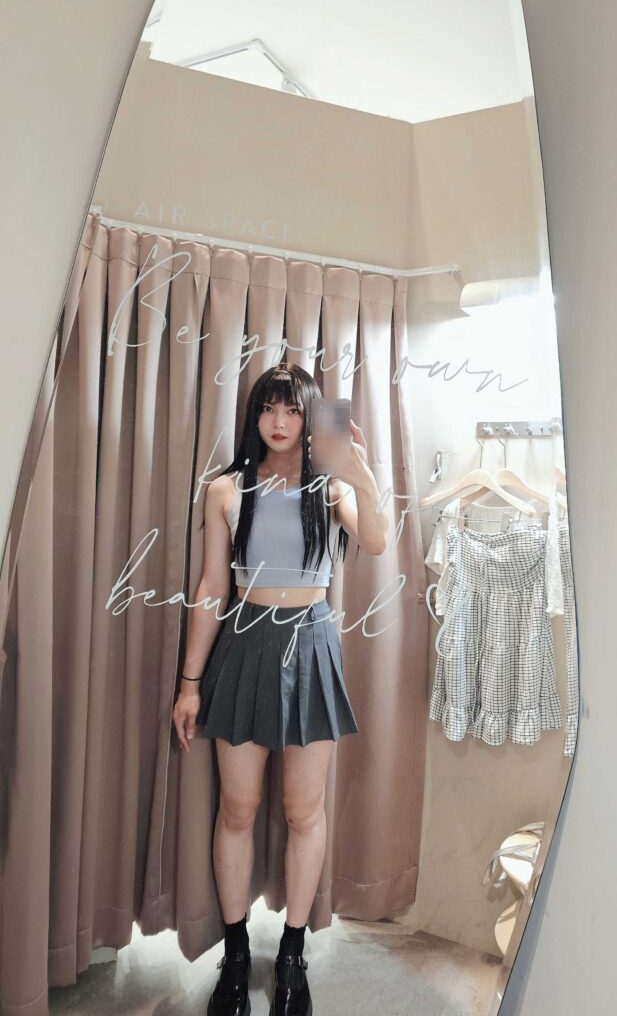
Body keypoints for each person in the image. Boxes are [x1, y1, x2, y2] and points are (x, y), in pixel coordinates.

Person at [172, 362, 388, 1016]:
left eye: (294, 409)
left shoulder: (330, 489)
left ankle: (292, 954)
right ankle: (237, 955)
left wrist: (360, 469)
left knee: (303, 812)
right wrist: (189, 684)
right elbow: (212, 588)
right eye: (269, 407)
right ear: (255, 415)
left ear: (311, 418)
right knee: (237, 809)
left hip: (313, 645)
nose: (280, 421)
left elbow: (377, 540)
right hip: (244, 644)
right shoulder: (226, 489)